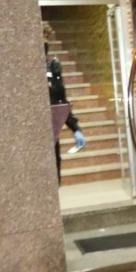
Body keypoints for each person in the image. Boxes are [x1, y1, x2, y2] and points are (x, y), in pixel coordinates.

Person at [46, 42, 86, 181]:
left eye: (46, 41)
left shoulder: (52, 71)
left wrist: (76, 128)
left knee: (54, 177)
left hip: (52, 133)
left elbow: (60, 103)